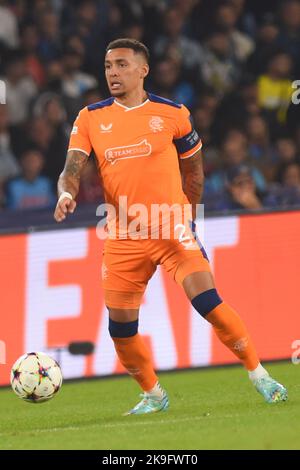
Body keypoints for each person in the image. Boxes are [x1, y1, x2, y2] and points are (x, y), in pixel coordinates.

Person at [54, 38, 287, 415]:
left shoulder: (174, 113)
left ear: (143, 69)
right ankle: (153, 394)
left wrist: (188, 218)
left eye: (122, 64)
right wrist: (66, 194)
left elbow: (193, 171)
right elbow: (71, 170)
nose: (113, 72)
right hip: (123, 235)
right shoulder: (90, 117)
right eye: (108, 65)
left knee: (209, 303)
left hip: (171, 227)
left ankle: (258, 373)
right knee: (121, 328)